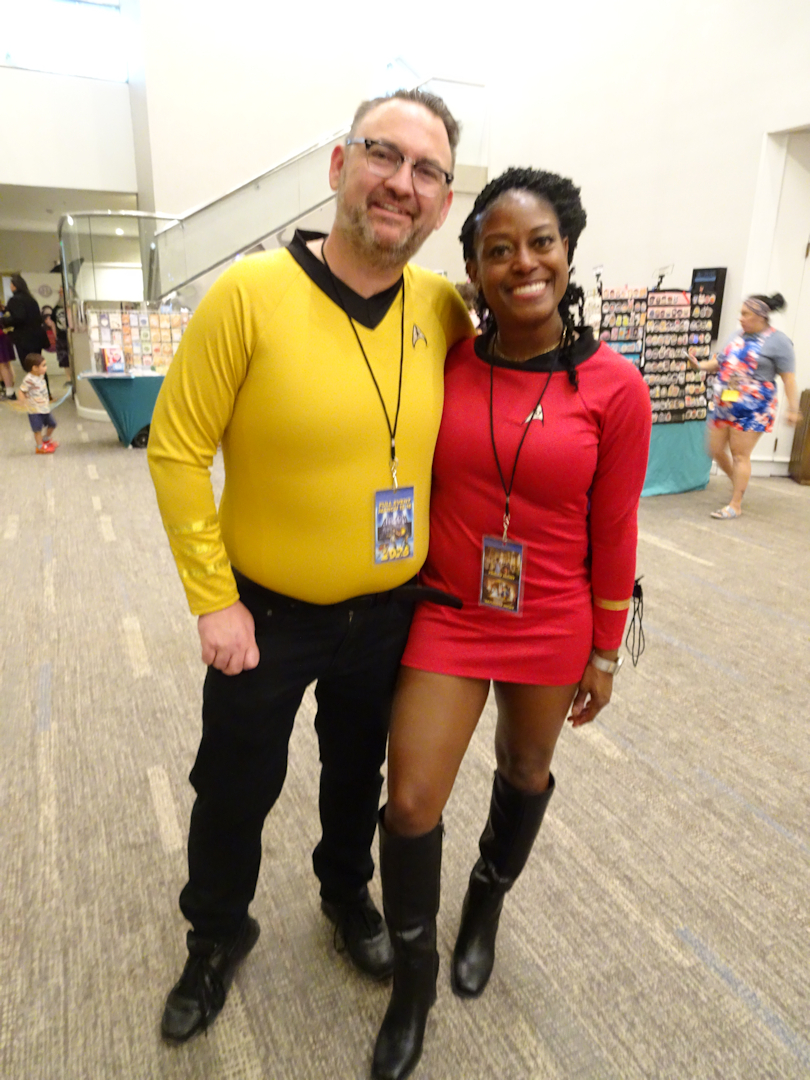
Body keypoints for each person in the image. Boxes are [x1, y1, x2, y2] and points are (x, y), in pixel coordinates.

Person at [147, 88, 472, 1045]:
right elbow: (176, 448)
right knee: (234, 786)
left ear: (444, 201)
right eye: (384, 155)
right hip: (265, 613)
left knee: (356, 773)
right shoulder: (247, 294)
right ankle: (215, 934)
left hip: (392, 608)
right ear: (339, 166)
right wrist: (214, 600)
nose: (402, 183)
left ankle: (344, 894)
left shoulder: (443, 308)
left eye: (427, 170)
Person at [370, 167, 652, 1080]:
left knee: (524, 771)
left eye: (540, 244)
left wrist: (605, 651)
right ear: (476, 268)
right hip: (451, 611)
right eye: (499, 250)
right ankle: (413, 983)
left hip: (553, 619)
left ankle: (486, 899)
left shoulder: (615, 386)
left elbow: (615, 529)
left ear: (568, 252)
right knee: (411, 802)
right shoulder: (448, 361)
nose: (523, 264)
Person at [687, 293, 801, 519]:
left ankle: (735, 503)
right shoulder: (736, 335)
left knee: (740, 455)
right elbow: (720, 362)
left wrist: (793, 409)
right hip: (726, 401)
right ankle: (739, 483)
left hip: (754, 407)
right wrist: (699, 366)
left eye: (746, 314)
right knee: (714, 448)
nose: (741, 318)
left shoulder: (779, 342)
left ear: (761, 316)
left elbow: (789, 379)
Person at [0, 275, 50, 400]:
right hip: (37, 336)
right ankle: (44, 392)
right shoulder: (31, 299)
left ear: (14, 286)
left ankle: (38, 394)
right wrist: (6, 310)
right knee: (37, 364)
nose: (10, 286)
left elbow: (18, 317)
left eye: (11, 284)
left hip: (25, 338)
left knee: (29, 366)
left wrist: (3, 321)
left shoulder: (15, 299)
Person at [18, 353, 58, 453]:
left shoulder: (41, 376)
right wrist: (23, 401)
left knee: (52, 424)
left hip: (44, 408)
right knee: (37, 429)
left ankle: (46, 439)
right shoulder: (29, 379)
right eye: (43, 365)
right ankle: (40, 447)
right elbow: (21, 391)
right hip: (34, 410)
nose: (46, 367)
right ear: (35, 368)